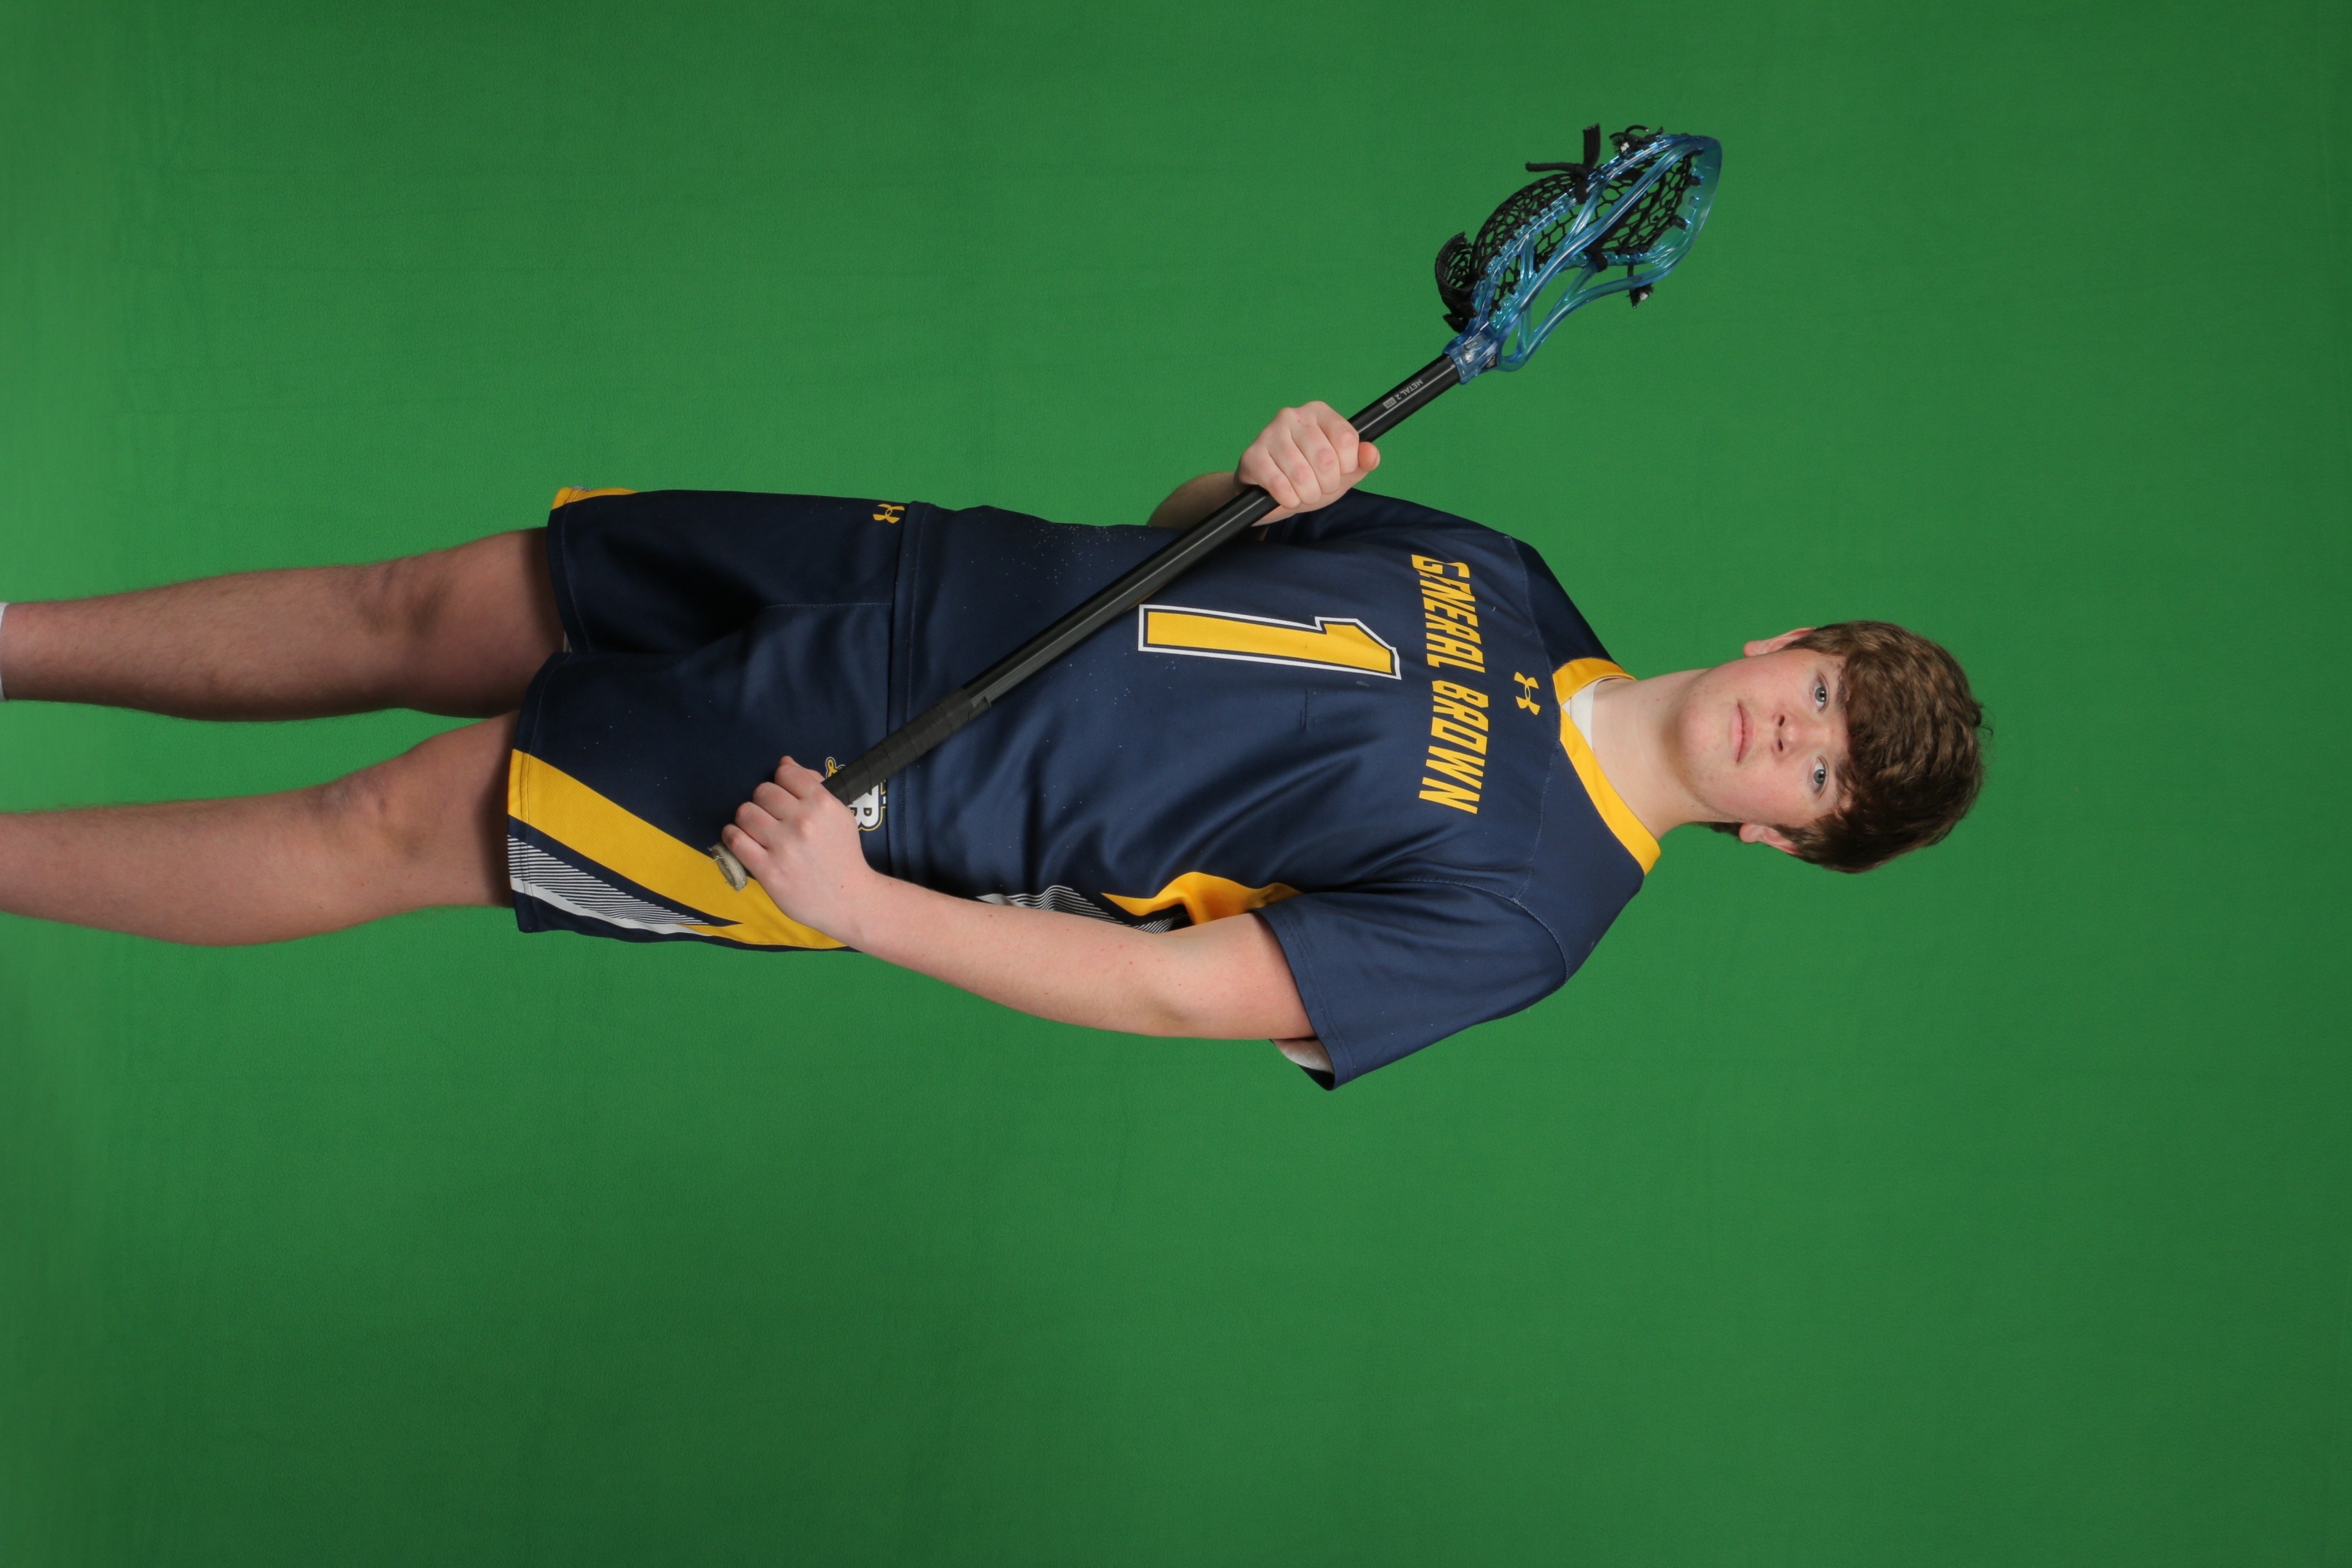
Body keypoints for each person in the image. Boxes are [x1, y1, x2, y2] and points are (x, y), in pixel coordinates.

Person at [0, 404, 1983, 1087]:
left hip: (883, 788)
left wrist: (864, 910)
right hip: (908, 568)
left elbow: (1180, 991)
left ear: (1785, 841)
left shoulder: (1535, 915)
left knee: (389, 819)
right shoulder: (1514, 582)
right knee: (417, 608)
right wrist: (1267, 472)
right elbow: (1189, 528)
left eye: (1822, 774)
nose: (1791, 731)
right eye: (1825, 692)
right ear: (1787, 639)